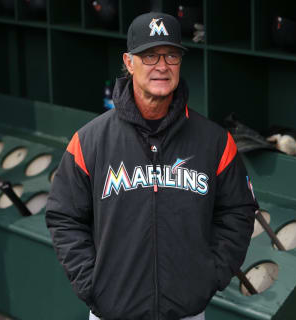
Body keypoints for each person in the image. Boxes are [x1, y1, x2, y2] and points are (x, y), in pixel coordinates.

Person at [45, 12, 257, 320]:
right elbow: (64, 217)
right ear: (129, 62)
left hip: (185, 312)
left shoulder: (215, 142)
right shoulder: (89, 141)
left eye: (171, 55)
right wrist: (92, 284)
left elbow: (238, 211)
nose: (161, 66)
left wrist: (209, 276)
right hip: (112, 311)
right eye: (149, 55)